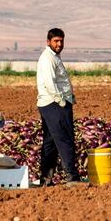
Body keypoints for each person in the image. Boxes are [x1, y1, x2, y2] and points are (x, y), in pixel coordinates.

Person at [36, 28, 82, 186]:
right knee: (65, 139)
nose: (59, 44)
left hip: (49, 104)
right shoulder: (48, 58)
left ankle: (45, 179)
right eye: (56, 41)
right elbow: (50, 83)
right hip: (54, 104)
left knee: (51, 142)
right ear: (48, 42)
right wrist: (61, 101)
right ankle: (72, 177)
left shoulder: (54, 57)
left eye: (61, 41)